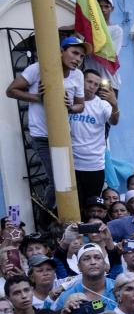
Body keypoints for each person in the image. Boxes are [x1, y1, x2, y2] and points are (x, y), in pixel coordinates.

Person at [5, 36, 87, 209]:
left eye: (81, 56)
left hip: (64, 134)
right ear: (61, 51)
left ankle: (62, 213)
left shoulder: (78, 75)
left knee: (68, 178)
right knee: (56, 178)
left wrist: (71, 107)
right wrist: (37, 97)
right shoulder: (38, 69)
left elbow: (81, 105)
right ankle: (46, 215)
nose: (77, 59)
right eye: (74, 53)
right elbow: (11, 91)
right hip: (41, 136)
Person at [70, 69, 120, 203]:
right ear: (82, 81)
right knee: (74, 204)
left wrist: (114, 104)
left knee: (92, 206)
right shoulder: (70, 100)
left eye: (96, 84)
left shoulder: (102, 105)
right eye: (89, 82)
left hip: (94, 165)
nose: (92, 86)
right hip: (71, 163)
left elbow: (114, 121)